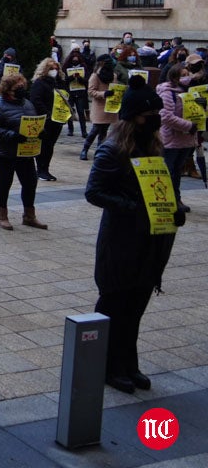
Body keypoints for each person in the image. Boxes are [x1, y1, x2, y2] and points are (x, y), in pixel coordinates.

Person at [86, 75, 181, 393]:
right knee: (115, 305)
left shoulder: (154, 146)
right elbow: (94, 192)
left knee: (136, 307)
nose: (153, 121)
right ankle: (108, 365)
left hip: (150, 240)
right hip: (121, 241)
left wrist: (173, 208)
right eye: (147, 115)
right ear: (132, 118)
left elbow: (162, 189)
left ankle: (129, 362)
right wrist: (132, 207)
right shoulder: (112, 150)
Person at [0, 73, 47, 230]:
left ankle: (29, 216)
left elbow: (32, 122)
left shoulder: (27, 104)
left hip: (25, 152)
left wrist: (40, 131)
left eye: (22, 85)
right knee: (5, 183)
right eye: (17, 86)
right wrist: (11, 135)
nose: (21, 88)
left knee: (30, 182)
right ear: (8, 89)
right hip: (5, 153)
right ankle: (2, 216)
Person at [157, 64, 200, 213]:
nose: (186, 77)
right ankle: (166, 199)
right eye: (182, 75)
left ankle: (176, 198)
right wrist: (188, 126)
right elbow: (166, 116)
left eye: (187, 74)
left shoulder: (191, 92)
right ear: (174, 76)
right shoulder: (168, 92)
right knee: (168, 171)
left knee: (177, 171)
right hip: (171, 139)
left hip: (186, 140)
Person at [28, 57, 64, 182]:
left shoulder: (57, 83)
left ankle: (45, 169)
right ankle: (41, 169)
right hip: (45, 119)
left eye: (56, 68)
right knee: (44, 145)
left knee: (50, 146)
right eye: (51, 69)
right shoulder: (39, 83)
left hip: (56, 119)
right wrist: (48, 114)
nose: (54, 71)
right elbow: (36, 101)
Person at [82, 56, 119, 161]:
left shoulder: (114, 76)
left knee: (104, 132)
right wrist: (104, 93)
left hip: (109, 107)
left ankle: (99, 152)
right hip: (99, 107)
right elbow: (91, 91)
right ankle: (85, 149)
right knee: (95, 130)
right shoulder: (95, 76)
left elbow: (115, 88)